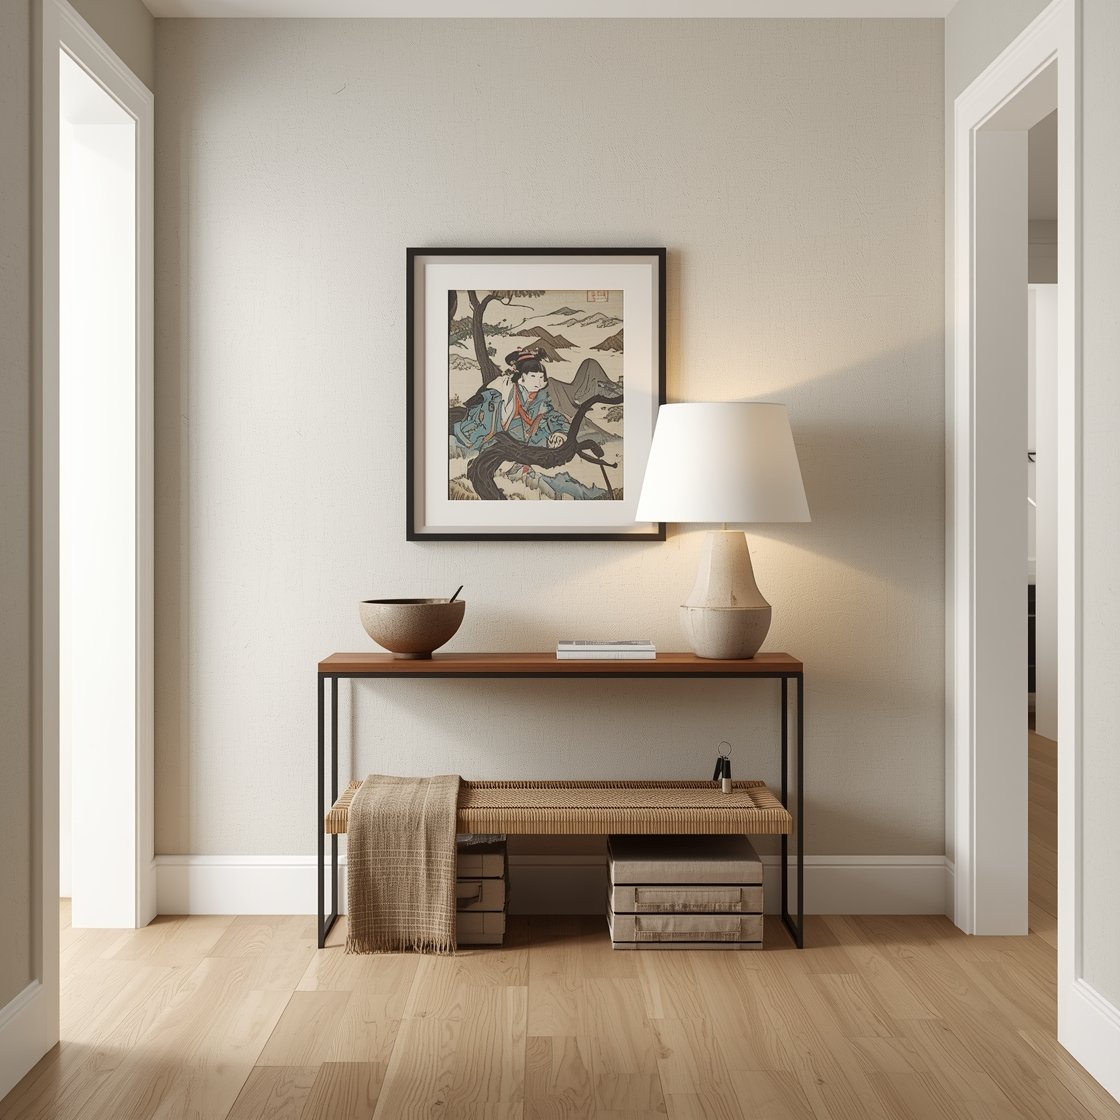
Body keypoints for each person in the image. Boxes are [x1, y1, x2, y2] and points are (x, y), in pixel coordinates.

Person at [453, 347, 569, 452]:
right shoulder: (503, 390)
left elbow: (551, 415)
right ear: (520, 378)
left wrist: (560, 432)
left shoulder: (541, 397)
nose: (538, 382)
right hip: (501, 431)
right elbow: (483, 400)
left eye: (541, 377)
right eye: (533, 376)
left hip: (527, 436)